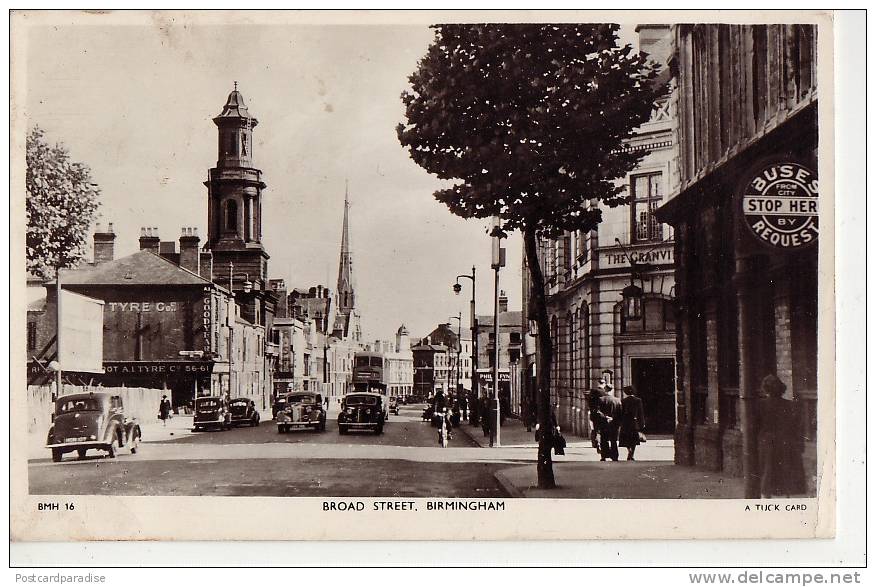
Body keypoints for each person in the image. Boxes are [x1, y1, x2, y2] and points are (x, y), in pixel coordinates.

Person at [756, 374, 807, 498]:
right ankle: (786, 497)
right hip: (786, 442)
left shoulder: (761, 405)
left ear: (766, 389)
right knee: (786, 470)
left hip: (768, 443)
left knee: (768, 471)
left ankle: (767, 497)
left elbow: (756, 426)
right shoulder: (790, 405)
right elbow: (796, 427)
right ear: (781, 389)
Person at [619, 386, 646, 461]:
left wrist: (620, 422)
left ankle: (629, 451)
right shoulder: (638, 400)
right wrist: (642, 423)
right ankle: (632, 453)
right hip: (634, 423)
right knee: (634, 439)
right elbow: (640, 413)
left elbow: (621, 413)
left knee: (627, 438)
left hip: (626, 423)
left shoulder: (623, 400)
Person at [597, 385, 622, 461]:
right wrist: (614, 419)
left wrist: (605, 417)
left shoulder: (601, 399)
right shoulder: (617, 400)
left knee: (604, 440)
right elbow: (620, 413)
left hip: (604, 423)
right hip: (614, 423)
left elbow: (598, 411)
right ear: (612, 390)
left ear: (605, 390)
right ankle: (615, 456)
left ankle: (604, 456)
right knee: (613, 440)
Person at [588, 385, 606, 452]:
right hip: (601, 417)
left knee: (594, 430)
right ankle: (599, 443)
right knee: (600, 431)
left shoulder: (591, 399)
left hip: (593, 416)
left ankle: (595, 443)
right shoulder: (601, 400)